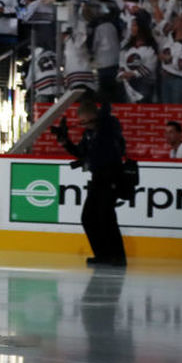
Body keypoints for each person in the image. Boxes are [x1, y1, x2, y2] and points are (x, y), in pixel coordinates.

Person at [52, 94, 127, 267]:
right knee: (89, 217)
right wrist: (65, 142)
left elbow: (106, 118)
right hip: (98, 178)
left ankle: (117, 256)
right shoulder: (88, 134)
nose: (84, 125)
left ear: (94, 117)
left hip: (112, 176)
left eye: (85, 121)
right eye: (81, 122)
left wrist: (102, 93)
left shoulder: (109, 126)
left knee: (106, 217)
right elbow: (81, 153)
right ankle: (102, 254)